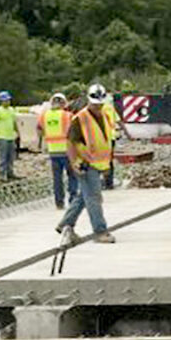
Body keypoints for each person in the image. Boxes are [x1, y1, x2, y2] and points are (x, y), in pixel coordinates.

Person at [56, 84, 116, 243]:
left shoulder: (105, 116)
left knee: (84, 196)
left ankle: (66, 224)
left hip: (99, 164)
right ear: (89, 101)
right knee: (94, 197)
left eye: (101, 104)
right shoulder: (80, 118)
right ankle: (100, 231)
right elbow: (70, 142)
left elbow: (105, 141)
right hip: (85, 164)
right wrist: (74, 162)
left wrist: (107, 164)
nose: (98, 107)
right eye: (96, 104)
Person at [38, 93, 78, 209]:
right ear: (64, 103)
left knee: (57, 179)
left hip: (53, 151)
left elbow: (39, 129)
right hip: (67, 151)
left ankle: (59, 203)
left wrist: (43, 142)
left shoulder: (44, 116)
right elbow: (74, 133)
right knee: (72, 176)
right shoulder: (68, 116)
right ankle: (73, 200)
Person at [101, 94, 133, 190]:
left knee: (98, 160)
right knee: (109, 161)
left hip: (99, 138)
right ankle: (109, 183)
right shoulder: (110, 109)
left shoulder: (96, 108)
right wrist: (128, 134)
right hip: (111, 138)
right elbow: (120, 122)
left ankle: (99, 182)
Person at [0, 91, 18, 182]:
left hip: (11, 137)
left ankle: (10, 173)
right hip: (2, 137)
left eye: (8, 100)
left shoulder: (11, 110)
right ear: (1, 101)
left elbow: (14, 122)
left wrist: (17, 132)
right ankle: (2, 175)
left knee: (11, 157)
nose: (7, 102)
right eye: (5, 100)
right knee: (3, 157)